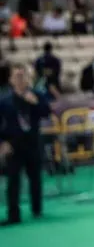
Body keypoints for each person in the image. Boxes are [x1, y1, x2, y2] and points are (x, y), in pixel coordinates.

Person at [0, 64, 51, 226]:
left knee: (35, 178)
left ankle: (37, 210)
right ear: (11, 80)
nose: (21, 80)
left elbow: (46, 113)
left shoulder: (37, 95)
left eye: (23, 76)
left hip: (33, 142)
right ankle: (13, 214)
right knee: (13, 180)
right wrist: (2, 143)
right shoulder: (4, 101)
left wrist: (35, 103)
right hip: (14, 143)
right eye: (17, 77)